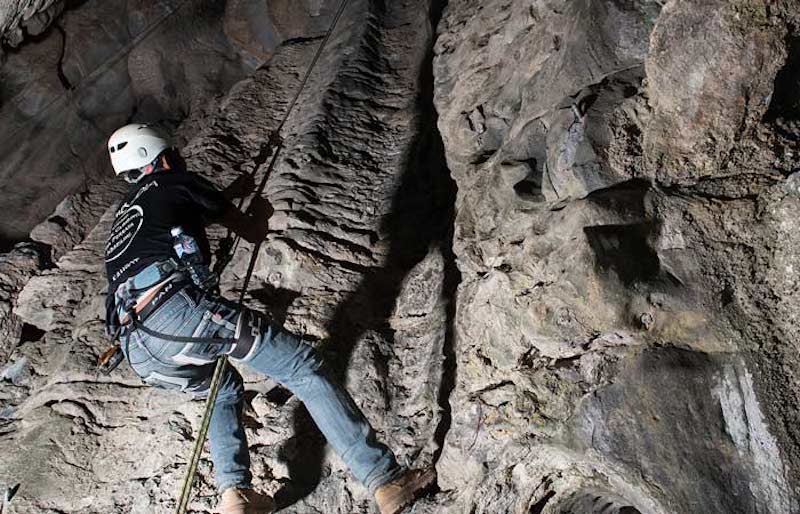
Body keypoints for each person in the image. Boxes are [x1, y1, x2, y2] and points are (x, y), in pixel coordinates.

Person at [102, 124, 435, 514]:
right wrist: (255, 211)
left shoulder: (128, 215)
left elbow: (175, 222)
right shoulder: (172, 180)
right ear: (158, 157)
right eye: (172, 154)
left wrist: (228, 196)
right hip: (178, 313)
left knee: (222, 389)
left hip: (137, 346)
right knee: (303, 367)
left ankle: (236, 496)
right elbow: (252, 231)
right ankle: (385, 479)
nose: (177, 159)